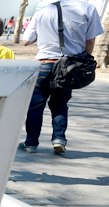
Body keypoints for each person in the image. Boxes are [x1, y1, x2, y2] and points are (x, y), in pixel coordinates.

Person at [18, 0, 104, 154]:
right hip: (68, 67)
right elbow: (90, 40)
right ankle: (59, 139)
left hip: (44, 64)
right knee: (60, 104)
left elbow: (26, 41)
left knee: (36, 106)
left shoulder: (43, 11)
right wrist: (85, 59)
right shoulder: (88, 9)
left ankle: (31, 143)